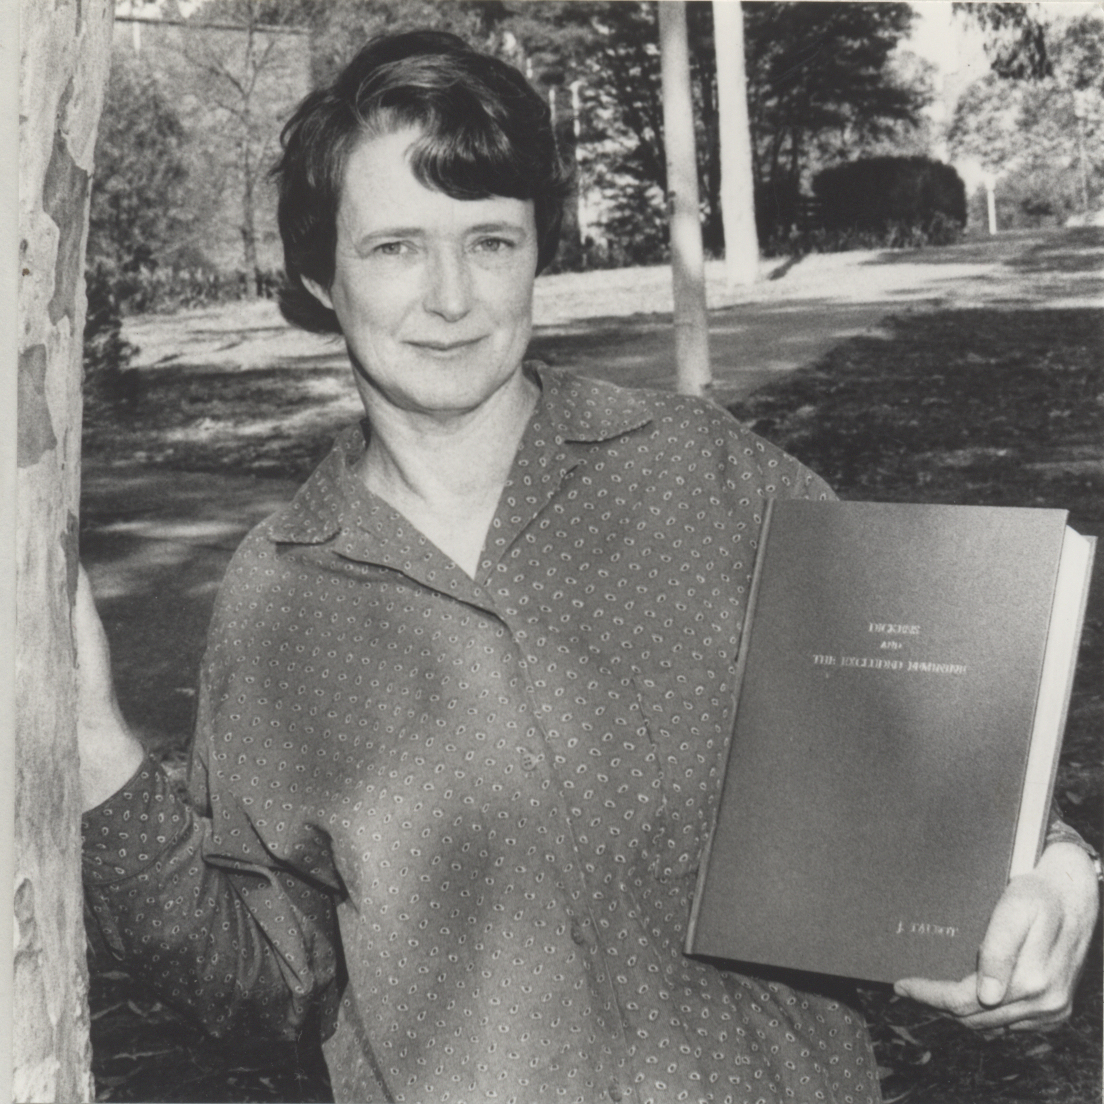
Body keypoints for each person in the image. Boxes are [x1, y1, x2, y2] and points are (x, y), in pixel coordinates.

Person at [78, 30, 1100, 1104]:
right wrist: (98, 748)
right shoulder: (280, 595)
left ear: (537, 251)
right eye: (394, 248)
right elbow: (262, 987)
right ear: (316, 273)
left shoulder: (707, 476)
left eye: (490, 241)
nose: (452, 298)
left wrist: (1063, 870)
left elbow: (919, 735)